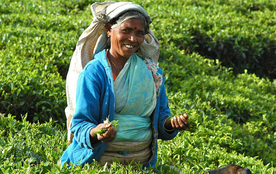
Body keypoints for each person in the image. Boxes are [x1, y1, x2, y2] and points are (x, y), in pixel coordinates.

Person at [61, 1, 190, 169]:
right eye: (126, 31)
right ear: (109, 29)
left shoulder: (152, 72)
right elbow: (80, 124)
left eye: (139, 33)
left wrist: (172, 124)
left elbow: (160, 120)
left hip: (142, 164)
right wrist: (98, 133)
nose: (133, 39)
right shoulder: (95, 72)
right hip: (98, 163)